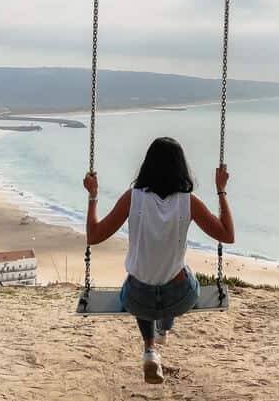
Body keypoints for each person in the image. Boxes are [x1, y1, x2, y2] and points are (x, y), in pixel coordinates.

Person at [83, 136, 235, 384]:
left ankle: (150, 349)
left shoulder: (132, 198)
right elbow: (227, 235)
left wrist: (93, 196)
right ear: (181, 168)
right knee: (181, 276)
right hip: (179, 298)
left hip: (137, 299)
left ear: (147, 166)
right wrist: (221, 190)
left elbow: (94, 235)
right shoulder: (189, 202)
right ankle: (164, 327)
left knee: (141, 281)